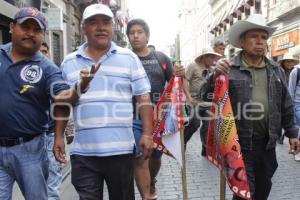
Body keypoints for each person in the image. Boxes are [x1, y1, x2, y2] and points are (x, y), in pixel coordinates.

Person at [53, 4, 153, 200]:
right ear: (83, 28)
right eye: (93, 22)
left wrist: (148, 133)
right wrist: (58, 136)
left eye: (106, 22)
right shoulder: (69, 62)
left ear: (112, 27)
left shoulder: (129, 58)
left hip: (121, 150)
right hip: (84, 154)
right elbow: (63, 103)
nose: (100, 27)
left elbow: (143, 97)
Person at [204, 14, 300, 200]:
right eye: (254, 36)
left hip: (267, 144)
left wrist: (292, 133)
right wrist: (215, 76)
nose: (260, 41)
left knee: (263, 188)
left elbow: (285, 104)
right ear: (242, 41)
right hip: (238, 145)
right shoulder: (228, 68)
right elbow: (205, 96)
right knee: (245, 192)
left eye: (263, 37)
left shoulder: (275, 69)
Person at [0, 7, 70, 200]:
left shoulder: (47, 68)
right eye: (25, 27)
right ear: (12, 27)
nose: (30, 33)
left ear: (43, 35)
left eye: (36, 30)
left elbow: (63, 99)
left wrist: (81, 86)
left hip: (30, 151)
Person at [126, 18, 186, 200]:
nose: (135, 36)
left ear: (147, 36)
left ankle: (151, 179)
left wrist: (182, 76)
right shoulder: (125, 58)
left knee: (155, 156)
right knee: (141, 157)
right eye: (131, 33)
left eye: (139, 32)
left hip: (159, 118)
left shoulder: (161, 58)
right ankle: (147, 195)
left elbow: (176, 84)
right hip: (133, 117)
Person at [183, 47, 221, 155]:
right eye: (210, 56)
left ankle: (206, 149)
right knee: (194, 124)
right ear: (204, 57)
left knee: (208, 125)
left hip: (207, 103)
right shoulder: (193, 66)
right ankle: (183, 141)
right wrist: (188, 97)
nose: (212, 59)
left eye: (214, 57)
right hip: (194, 102)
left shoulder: (213, 70)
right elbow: (185, 80)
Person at [39, 41, 64, 200]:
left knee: (52, 186)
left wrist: (63, 134)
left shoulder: (52, 74)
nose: (41, 54)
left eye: (44, 51)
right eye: (38, 51)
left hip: (49, 136)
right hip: (31, 139)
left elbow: (63, 104)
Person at [277, 53, 299, 144]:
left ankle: (287, 134)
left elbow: (292, 89)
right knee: (279, 119)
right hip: (279, 99)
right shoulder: (279, 71)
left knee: (289, 120)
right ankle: (279, 136)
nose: (290, 63)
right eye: (288, 61)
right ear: (283, 62)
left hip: (289, 99)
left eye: (291, 61)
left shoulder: (295, 72)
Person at [288, 58, 300, 161]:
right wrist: (290, 109)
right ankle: (297, 151)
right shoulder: (296, 71)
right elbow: (290, 91)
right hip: (297, 104)